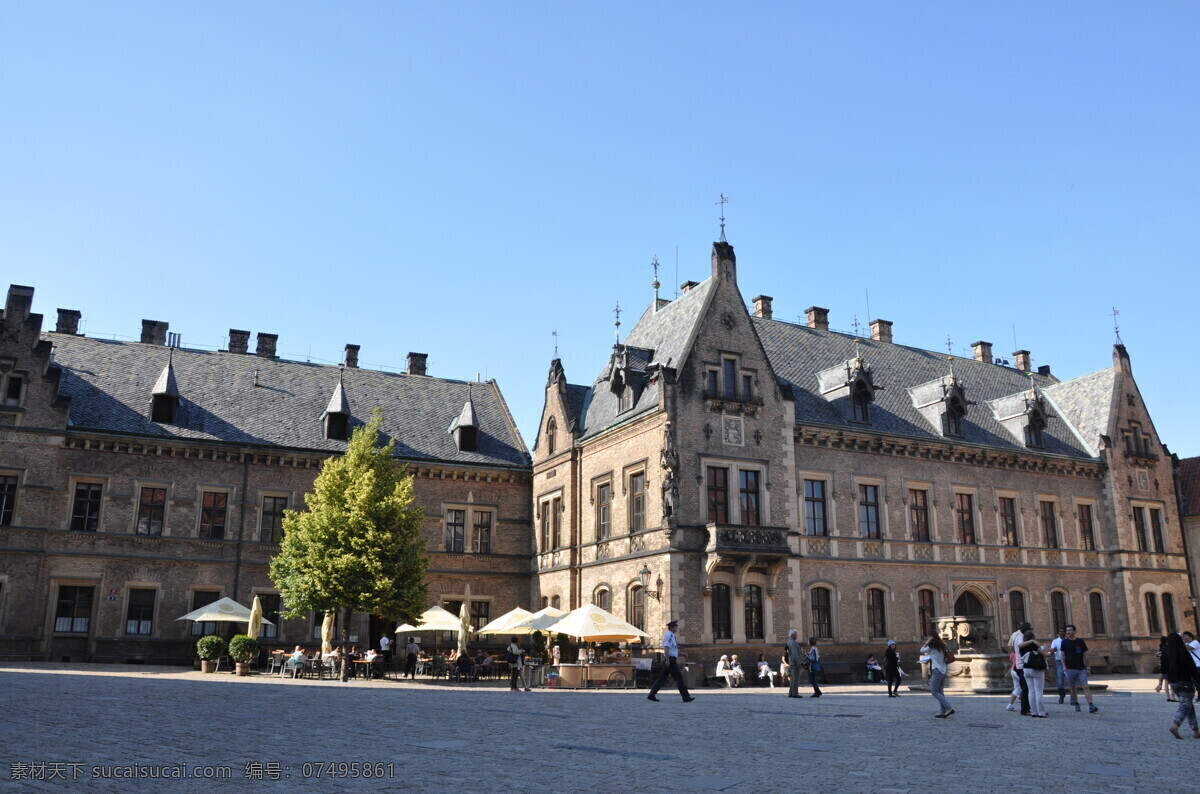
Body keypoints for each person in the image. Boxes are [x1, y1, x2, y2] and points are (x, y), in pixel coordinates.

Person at [1162, 633, 1200, 739]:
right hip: (1186, 682)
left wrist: (1161, 683)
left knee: (1188, 705)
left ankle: (1196, 731)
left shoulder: (1165, 652)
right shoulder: (1183, 652)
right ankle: (1175, 725)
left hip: (1173, 683)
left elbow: (1163, 669)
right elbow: (1192, 668)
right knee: (1185, 705)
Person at [647, 619, 694, 703]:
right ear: (672, 627)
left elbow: (673, 649)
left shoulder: (672, 635)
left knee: (662, 678)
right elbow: (666, 648)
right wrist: (668, 660)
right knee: (679, 678)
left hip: (671, 659)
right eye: (675, 626)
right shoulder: (669, 636)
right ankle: (686, 697)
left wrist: (681, 653)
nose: (677, 628)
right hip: (671, 661)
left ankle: (651, 694)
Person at [1060, 624, 1099, 714]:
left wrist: (1088, 667)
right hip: (1070, 668)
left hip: (1081, 668)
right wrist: (1064, 666)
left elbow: (1085, 655)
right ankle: (1076, 703)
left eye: (1070, 630)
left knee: (1085, 686)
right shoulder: (1064, 642)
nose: (1068, 632)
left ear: (1074, 631)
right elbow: (1062, 655)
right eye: (1067, 630)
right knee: (1072, 687)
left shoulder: (1080, 641)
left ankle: (1091, 705)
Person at [919, 635, 953, 717]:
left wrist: (927, 642)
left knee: (934, 691)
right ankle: (943, 711)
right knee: (940, 692)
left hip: (937, 670)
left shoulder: (931, 647)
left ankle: (949, 708)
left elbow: (921, 650)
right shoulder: (942, 646)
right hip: (943, 670)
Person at [1018, 628, 1048, 717]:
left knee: (1031, 691)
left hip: (1026, 669)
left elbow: (1020, 646)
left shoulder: (1022, 647)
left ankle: (1034, 712)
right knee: (1038, 691)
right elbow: (1044, 654)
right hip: (1036, 668)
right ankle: (1041, 712)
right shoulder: (1033, 645)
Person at [1008, 622, 1032, 715]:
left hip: (1019, 665)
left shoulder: (1016, 635)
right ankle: (1025, 709)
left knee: (1025, 688)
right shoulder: (1020, 637)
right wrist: (1032, 641)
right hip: (1021, 666)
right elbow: (1020, 646)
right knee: (1025, 689)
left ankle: (1027, 708)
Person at [1155, 637, 1178, 702]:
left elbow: (1157, 655)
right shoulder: (1168, 649)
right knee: (1171, 682)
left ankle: (1168, 697)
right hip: (1168, 667)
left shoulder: (1160, 649)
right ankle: (1173, 697)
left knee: (1166, 683)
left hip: (1162, 667)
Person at [1048, 627, 1068, 704]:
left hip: (1069, 662)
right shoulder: (1055, 641)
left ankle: (1073, 699)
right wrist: (1053, 651)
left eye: (1063, 632)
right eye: (1060, 631)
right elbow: (1051, 652)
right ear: (1058, 633)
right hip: (1059, 662)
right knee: (1060, 683)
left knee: (1071, 681)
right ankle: (1062, 696)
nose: (1061, 633)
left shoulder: (1068, 641)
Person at [786, 629, 804, 699]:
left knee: (793, 679)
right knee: (795, 679)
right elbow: (795, 654)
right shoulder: (792, 643)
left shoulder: (790, 642)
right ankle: (795, 693)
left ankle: (791, 693)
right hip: (795, 663)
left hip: (792, 662)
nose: (797, 635)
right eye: (796, 634)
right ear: (793, 635)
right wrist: (799, 662)